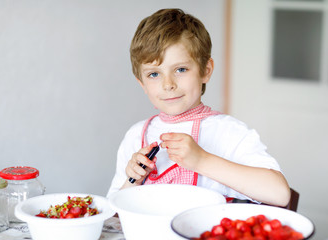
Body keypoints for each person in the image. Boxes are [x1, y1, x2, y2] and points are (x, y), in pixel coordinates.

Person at [107, 8, 290, 207]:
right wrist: (134, 181)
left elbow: (280, 194)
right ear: (141, 82)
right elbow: (113, 213)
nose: (168, 84)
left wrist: (202, 160)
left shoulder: (228, 133)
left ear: (205, 71)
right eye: (154, 74)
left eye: (180, 69)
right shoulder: (135, 137)